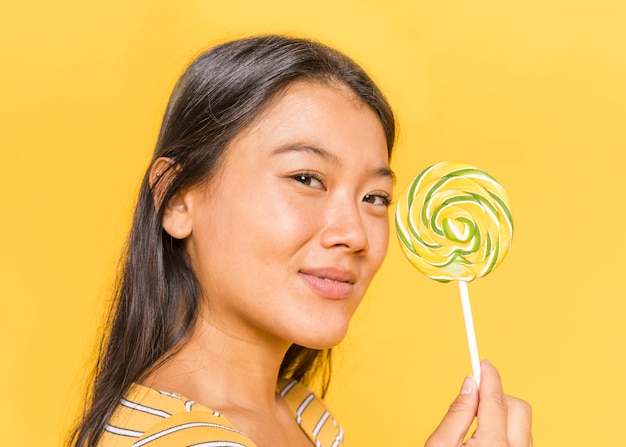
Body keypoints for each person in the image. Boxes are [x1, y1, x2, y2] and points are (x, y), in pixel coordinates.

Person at [68, 34, 532, 447]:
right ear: (176, 199)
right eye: (307, 178)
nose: (353, 234)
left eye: (375, 196)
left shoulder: (302, 415)